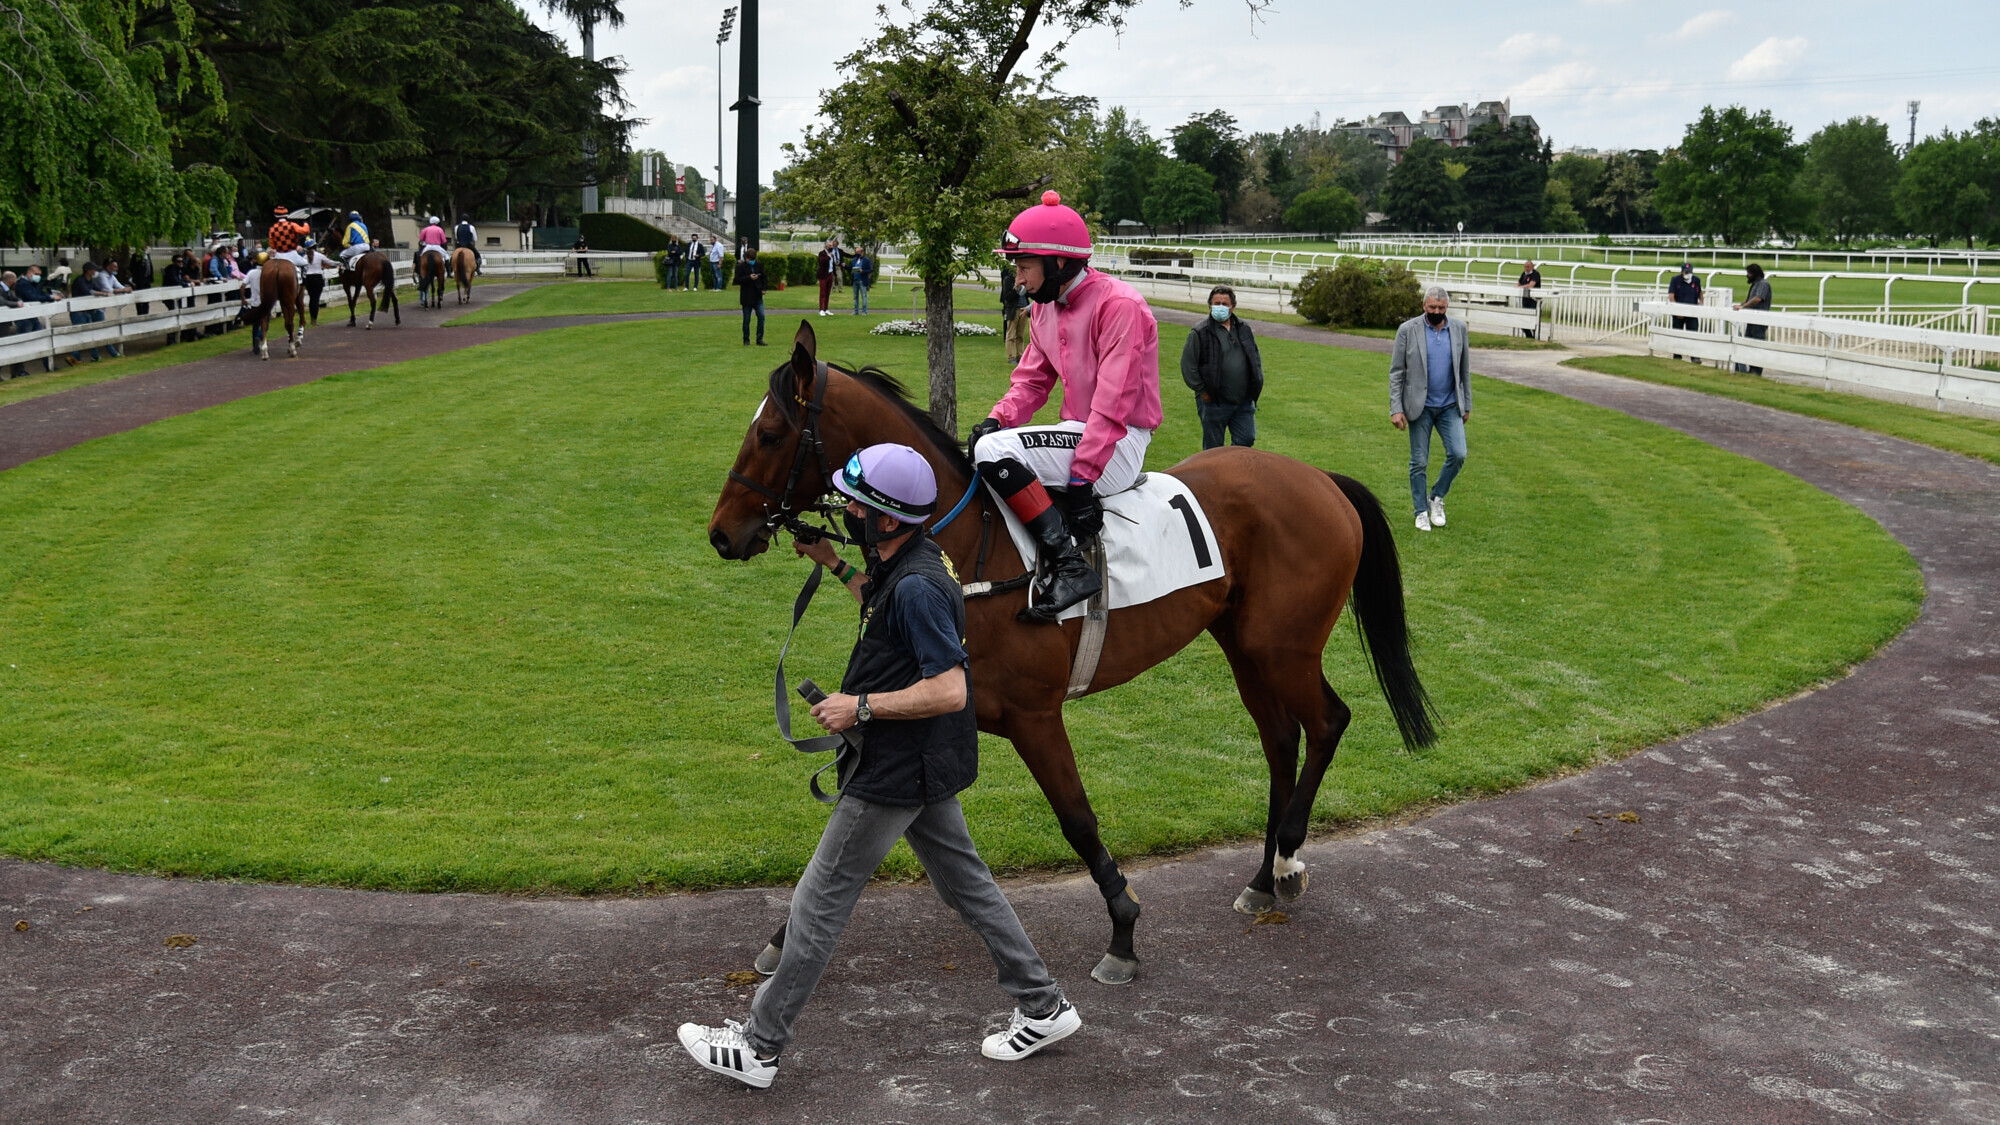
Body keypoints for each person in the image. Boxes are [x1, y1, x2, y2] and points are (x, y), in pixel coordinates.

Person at [677, 443, 1081, 1089]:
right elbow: (880, 605)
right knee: (965, 884)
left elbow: (950, 688)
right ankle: (1044, 1005)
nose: (846, 511)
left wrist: (858, 706)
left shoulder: (919, 584)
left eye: (857, 505)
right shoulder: (905, 562)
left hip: (896, 766)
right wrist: (832, 562)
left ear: (888, 519)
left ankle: (759, 1045)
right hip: (923, 759)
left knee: (818, 902)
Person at [965, 191, 1162, 623]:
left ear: (1057, 262)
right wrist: (996, 418)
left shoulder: (1120, 305)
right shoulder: (1044, 309)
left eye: (1023, 268)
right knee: (990, 441)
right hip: (1081, 434)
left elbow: (1112, 405)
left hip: (1118, 444)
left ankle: (1071, 568)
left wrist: (1081, 481)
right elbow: (1032, 381)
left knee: (995, 453)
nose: (1018, 281)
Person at [1388, 286, 1471, 532]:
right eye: (1432, 307)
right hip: (1418, 406)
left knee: (1458, 454)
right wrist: (1396, 408)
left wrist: (1466, 404)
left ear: (1447, 308)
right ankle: (1420, 511)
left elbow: (1464, 370)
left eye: (1441, 308)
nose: (1437, 312)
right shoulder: (1407, 330)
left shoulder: (1458, 329)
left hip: (1449, 405)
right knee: (1419, 461)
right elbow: (1396, 372)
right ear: (1424, 306)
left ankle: (1436, 497)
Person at [1180, 285, 1263, 450]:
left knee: (1246, 439)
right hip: (1214, 401)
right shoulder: (1200, 332)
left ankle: (1236, 473)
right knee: (1213, 448)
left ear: (1233, 306)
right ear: (1210, 305)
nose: (1220, 307)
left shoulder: (1243, 329)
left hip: (1243, 401)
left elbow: (1255, 357)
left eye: (1224, 304)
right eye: (1216, 303)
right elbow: (1188, 366)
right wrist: (1203, 391)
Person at [13, 266, 60, 372]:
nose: (38, 277)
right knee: (22, 343)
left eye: (39, 275)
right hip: (24, 317)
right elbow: (33, 297)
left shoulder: (32, 284)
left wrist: (51, 296)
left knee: (43, 340)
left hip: (32, 316)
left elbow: (40, 294)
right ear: (29, 273)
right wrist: (51, 298)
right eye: (36, 274)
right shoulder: (22, 284)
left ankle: (49, 365)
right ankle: (18, 371)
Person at [1733, 263, 1772, 374]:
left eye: (1749, 273)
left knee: (1757, 344)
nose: (1747, 275)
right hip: (1752, 320)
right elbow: (1749, 299)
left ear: (1754, 273)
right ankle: (1751, 369)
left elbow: (1758, 299)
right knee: (1748, 344)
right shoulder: (1755, 284)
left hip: (1759, 320)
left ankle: (1756, 370)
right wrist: (1740, 305)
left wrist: (1743, 307)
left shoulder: (1763, 284)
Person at [66, 263, 109, 365]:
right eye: (94, 270)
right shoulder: (80, 281)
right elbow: (89, 292)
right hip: (78, 312)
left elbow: (98, 289)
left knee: (90, 334)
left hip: (87, 311)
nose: (95, 272)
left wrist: (107, 291)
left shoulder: (91, 281)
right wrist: (103, 294)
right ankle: (74, 358)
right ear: (88, 271)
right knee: (79, 335)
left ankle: (95, 356)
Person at [1667, 262, 1703, 361]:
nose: (1688, 273)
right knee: (1677, 333)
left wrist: (1701, 302)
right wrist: (1677, 309)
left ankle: (1694, 356)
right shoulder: (1675, 280)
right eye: (1686, 271)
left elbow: (1700, 292)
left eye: (1690, 271)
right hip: (1679, 312)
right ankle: (1677, 355)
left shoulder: (1696, 280)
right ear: (1682, 271)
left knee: (1693, 333)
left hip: (1692, 311)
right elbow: (1671, 295)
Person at [735, 246, 767, 345]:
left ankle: (759, 338)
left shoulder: (759, 265)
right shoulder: (741, 267)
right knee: (747, 319)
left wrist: (764, 288)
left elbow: (764, 277)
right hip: (747, 297)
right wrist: (749, 278)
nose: (752, 261)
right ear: (746, 258)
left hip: (757, 296)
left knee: (761, 316)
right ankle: (746, 339)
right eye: (750, 259)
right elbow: (737, 280)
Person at [1000, 263, 1027, 362]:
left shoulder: (1024, 279)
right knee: (1011, 334)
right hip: (1013, 309)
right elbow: (1007, 297)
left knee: (1020, 335)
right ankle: (1011, 356)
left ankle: (1020, 355)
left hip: (1023, 309)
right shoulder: (1008, 280)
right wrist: (1016, 288)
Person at [301, 239, 331, 324]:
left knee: (312, 298)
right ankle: (314, 318)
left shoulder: (304, 257)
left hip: (308, 278)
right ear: (314, 246)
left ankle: (312, 318)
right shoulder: (319, 255)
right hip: (318, 277)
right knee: (316, 299)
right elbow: (329, 262)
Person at [1514, 260, 1542, 339]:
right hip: (1525, 299)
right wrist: (1517, 287)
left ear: (1532, 267)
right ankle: (1529, 336)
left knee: (1533, 320)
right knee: (1523, 319)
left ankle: (1536, 336)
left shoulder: (1535, 274)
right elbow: (1518, 283)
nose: (1526, 268)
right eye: (1525, 267)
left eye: (1528, 267)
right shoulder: (1524, 274)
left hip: (1534, 300)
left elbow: (1531, 285)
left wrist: (1520, 288)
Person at [815, 238, 836, 316]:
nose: (831, 247)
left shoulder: (832, 254)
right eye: (829, 245)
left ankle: (826, 308)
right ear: (826, 246)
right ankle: (821, 309)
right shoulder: (822, 253)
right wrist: (829, 256)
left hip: (830, 274)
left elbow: (832, 264)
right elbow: (821, 261)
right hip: (823, 275)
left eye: (831, 245)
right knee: (822, 293)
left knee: (828, 293)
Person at [849, 246, 873, 314]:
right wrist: (845, 266)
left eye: (858, 252)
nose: (856, 254)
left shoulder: (866, 260)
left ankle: (864, 311)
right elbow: (850, 268)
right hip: (855, 280)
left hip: (862, 280)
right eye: (856, 252)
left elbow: (870, 270)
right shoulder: (854, 260)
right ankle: (856, 311)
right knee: (855, 296)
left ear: (862, 252)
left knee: (864, 296)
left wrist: (863, 271)